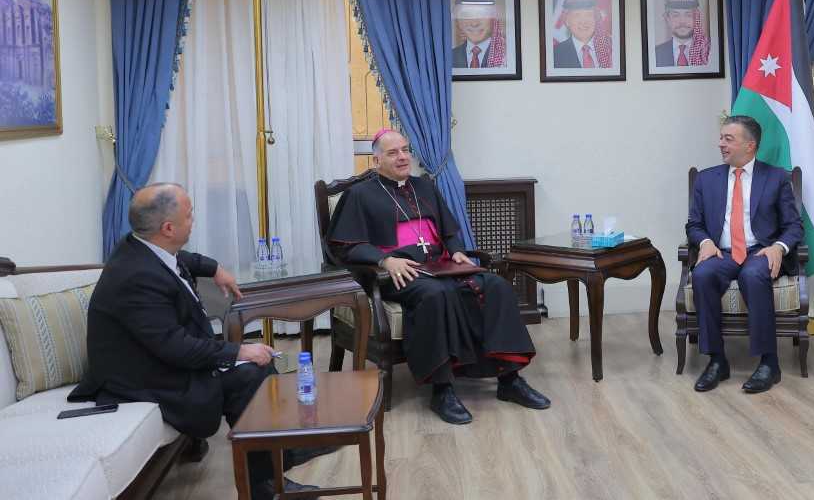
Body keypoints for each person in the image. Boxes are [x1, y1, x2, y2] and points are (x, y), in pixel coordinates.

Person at [69, 183, 327, 500]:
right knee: (252, 374)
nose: (193, 220)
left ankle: (281, 455)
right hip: (142, 378)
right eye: (189, 215)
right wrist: (239, 351)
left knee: (259, 369)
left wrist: (214, 268)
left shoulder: (140, 247)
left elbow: (184, 259)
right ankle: (264, 487)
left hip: (156, 358)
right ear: (168, 228)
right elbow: (175, 347)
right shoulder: (136, 278)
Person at [326, 129, 549, 425]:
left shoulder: (425, 186)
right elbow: (345, 245)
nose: (402, 157)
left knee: (496, 286)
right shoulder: (359, 195)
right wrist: (386, 260)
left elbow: (449, 230)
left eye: (405, 150)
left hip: (440, 266)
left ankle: (510, 380)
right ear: (376, 160)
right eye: (393, 153)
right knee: (435, 295)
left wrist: (456, 251)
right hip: (399, 274)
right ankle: (442, 389)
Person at [685, 116, 804, 394]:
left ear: (750, 145)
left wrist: (778, 247)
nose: (720, 144)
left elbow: (794, 226)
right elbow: (694, 224)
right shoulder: (706, 179)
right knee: (702, 274)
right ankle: (717, 360)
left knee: (753, 275)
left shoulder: (775, 178)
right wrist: (704, 242)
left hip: (759, 251)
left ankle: (769, 363)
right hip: (722, 252)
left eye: (728, 139)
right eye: (721, 138)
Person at [654, 0, 709, 68]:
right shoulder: (655, 53)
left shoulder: (707, 51)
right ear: (668, 19)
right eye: (676, 15)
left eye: (688, 15)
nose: (682, 21)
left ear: (696, 18)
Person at [553, 0, 605, 69]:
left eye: (588, 15)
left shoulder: (611, 49)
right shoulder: (555, 55)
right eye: (577, 15)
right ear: (567, 21)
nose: (583, 21)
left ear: (596, 19)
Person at [451, 0, 506, 69]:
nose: (474, 23)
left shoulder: (506, 55)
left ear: (493, 20)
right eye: (466, 15)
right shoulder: (449, 56)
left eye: (482, 14)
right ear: (458, 22)